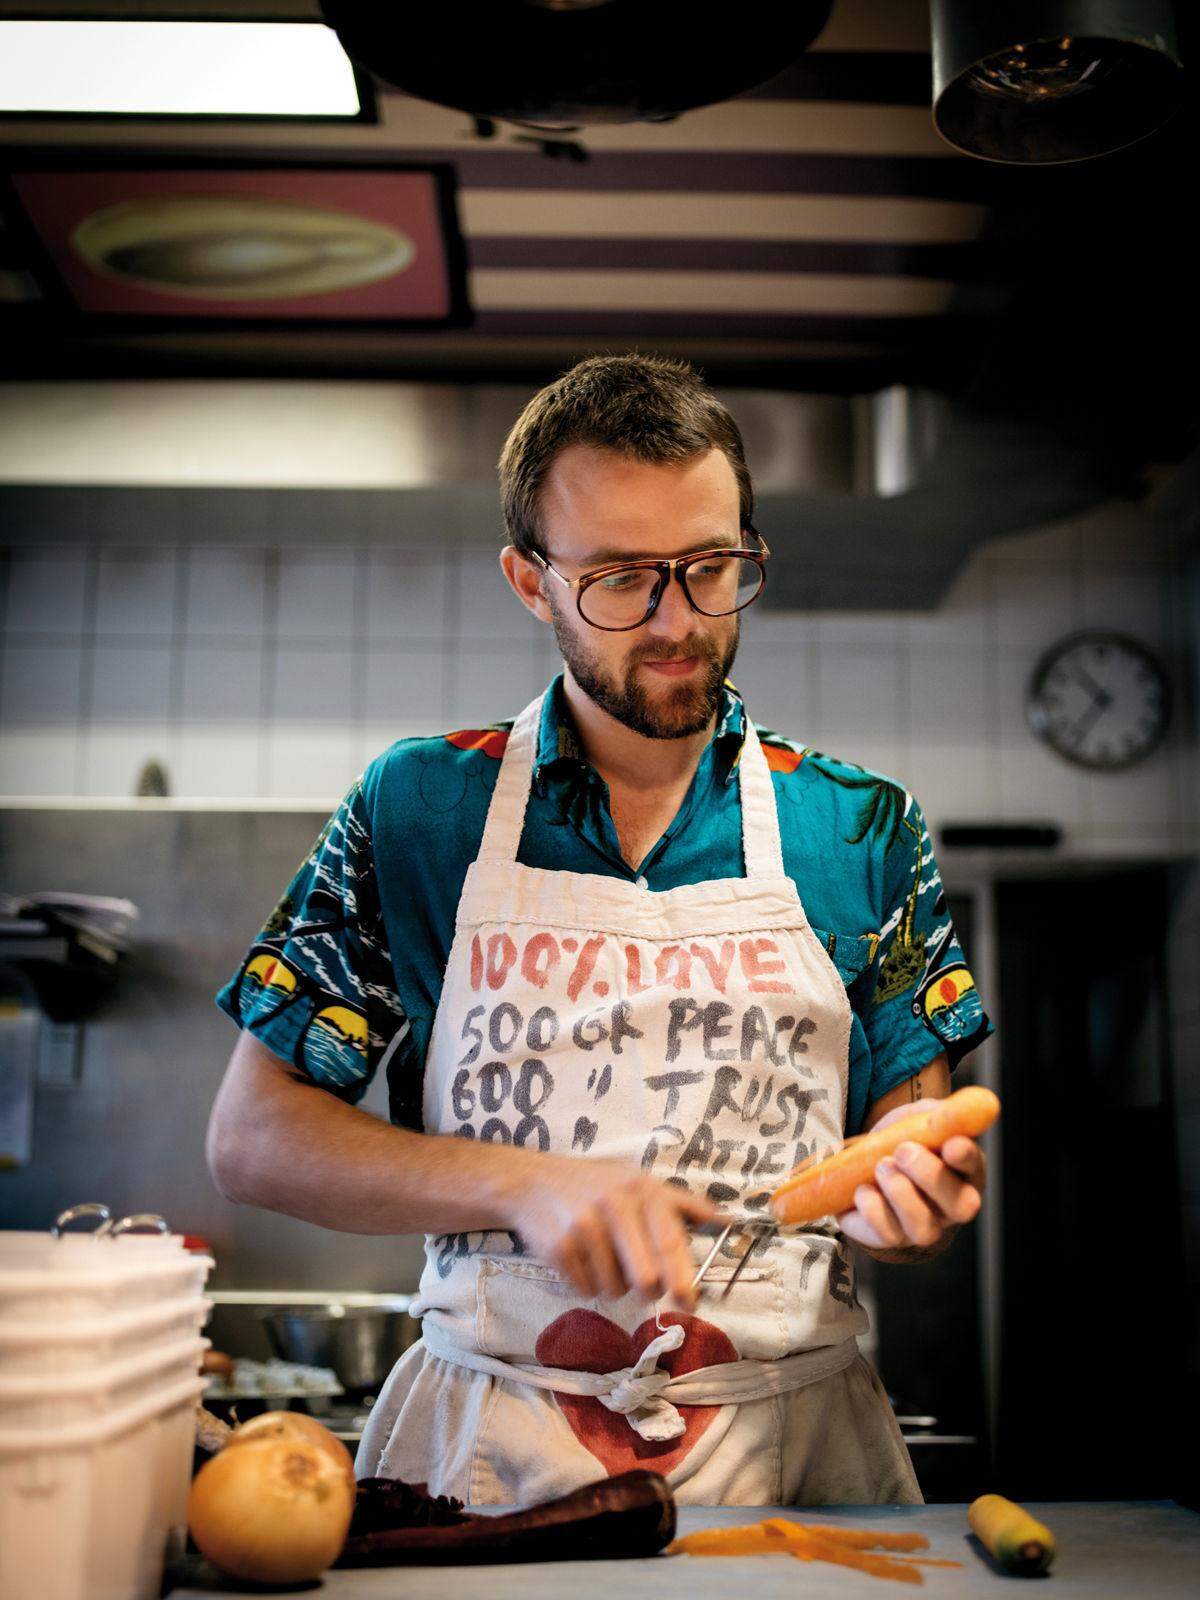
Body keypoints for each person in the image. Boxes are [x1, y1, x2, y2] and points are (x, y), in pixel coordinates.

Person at [207, 353, 994, 1507]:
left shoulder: (863, 826)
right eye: (623, 578)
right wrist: (528, 1183)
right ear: (531, 582)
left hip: (794, 1461)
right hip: (488, 1459)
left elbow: (904, 1144)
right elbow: (253, 1138)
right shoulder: (423, 808)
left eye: (713, 568)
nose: (679, 622)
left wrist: (913, 1206)